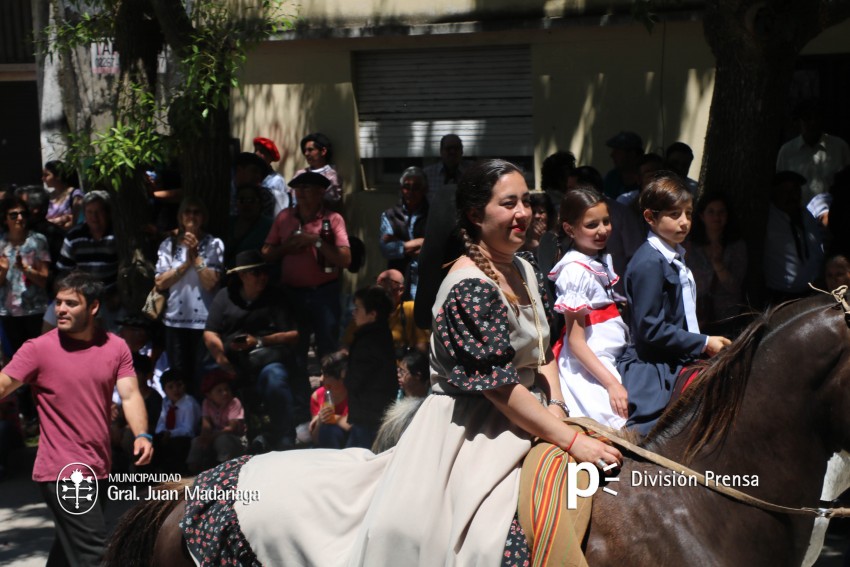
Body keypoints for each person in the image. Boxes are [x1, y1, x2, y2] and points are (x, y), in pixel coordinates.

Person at [179, 159, 621, 566]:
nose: (523, 212)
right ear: (474, 214)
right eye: (509, 203)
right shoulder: (470, 286)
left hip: (537, 414)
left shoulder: (526, 268)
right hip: (470, 431)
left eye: (526, 200)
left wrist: (559, 411)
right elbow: (499, 387)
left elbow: (543, 355)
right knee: (475, 543)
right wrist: (569, 440)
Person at [0, 272, 153, 566]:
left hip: (97, 466)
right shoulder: (39, 349)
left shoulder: (115, 346)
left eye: (71, 303)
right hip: (63, 470)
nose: (61, 309)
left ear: (93, 307)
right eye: (58, 302)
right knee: (94, 555)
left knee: (68, 554)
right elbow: (4, 384)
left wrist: (142, 434)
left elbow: (131, 394)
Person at [617, 172, 731, 434]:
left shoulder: (674, 257)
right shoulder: (649, 262)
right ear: (650, 217)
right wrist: (703, 342)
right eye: (674, 214)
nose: (684, 222)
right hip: (655, 370)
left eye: (688, 214)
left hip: (678, 358)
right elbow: (650, 328)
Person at [548, 186, 629, 429]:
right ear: (569, 229)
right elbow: (576, 342)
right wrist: (612, 384)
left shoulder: (599, 260)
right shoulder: (574, 271)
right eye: (592, 225)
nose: (603, 230)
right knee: (613, 424)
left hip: (611, 356)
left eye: (606, 221)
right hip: (589, 367)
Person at [203, 250, 300, 451]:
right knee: (211, 379)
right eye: (256, 273)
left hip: (267, 358)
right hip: (232, 361)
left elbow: (293, 334)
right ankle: (220, 443)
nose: (262, 277)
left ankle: (285, 438)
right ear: (242, 276)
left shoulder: (276, 296)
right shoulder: (224, 296)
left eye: (264, 272)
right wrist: (221, 359)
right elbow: (210, 333)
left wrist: (259, 341)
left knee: (275, 378)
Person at [262, 171, 351, 367]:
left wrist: (315, 241)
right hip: (291, 294)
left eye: (306, 188)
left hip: (324, 293)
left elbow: (345, 259)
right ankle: (300, 396)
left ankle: (330, 392)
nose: (300, 193)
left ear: (320, 192)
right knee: (295, 352)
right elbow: (266, 253)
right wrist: (287, 247)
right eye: (296, 188)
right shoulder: (284, 217)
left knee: (328, 349)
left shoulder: (333, 219)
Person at [686, 192, 747, 334]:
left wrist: (718, 264)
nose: (716, 217)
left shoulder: (736, 246)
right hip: (695, 316)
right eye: (711, 212)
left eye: (721, 212)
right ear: (701, 216)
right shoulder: (689, 245)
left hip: (727, 316)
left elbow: (735, 287)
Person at [345, 286, 397, 449]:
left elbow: (358, 378)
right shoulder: (381, 335)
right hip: (375, 410)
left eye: (358, 309)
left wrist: (346, 378)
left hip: (368, 413)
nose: (354, 313)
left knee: (359, 456)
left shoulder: (369, 341)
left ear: (372, 314)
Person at [763, 171, 825, 303]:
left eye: (796, 191)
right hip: (780, 296)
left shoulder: (806, 216)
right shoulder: (768, 218)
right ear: (775, 194)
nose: (791, 196)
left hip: (811, 293)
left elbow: (817, 248)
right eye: (785, 191)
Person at [776, 99, 850, 208]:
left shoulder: (839, 147)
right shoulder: (787, 152)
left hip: (832, 218)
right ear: (799, 121)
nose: (813, 122)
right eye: (807, 118)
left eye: (817, 117)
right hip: (799, 218)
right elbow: (780, 189)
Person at [0, 196, 51, 353]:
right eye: (14, 215)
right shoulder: (1, 244)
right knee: (16, 361)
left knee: (40, 357)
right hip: (8, 313)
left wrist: (25, 269)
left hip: (35, 311)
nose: (19, 218)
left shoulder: (38, 241)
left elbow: (45, 280)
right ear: (5, 219)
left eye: (23, 214)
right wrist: (3, 271)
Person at [379, 166, 429, 299]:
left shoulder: (433, 215)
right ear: (401, 189)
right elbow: (386, 249)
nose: (410, 192)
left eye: (416, 187)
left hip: (426, 284)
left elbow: (435, 247)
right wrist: (419, 242)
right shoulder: (389, 215)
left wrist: (399, 244)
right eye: (407, 187)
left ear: (424, 190)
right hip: (398, 285)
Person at [56, 191, 119, 290]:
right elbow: (64, 271)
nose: (94, 217)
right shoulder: (74, 236)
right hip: (82, 293)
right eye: (90, 212)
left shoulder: (117, 236)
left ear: (107, 212)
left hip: (112, 293)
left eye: (99, 211)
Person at [187, 369, 247, 473]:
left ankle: (227, 470)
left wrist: (211, 438)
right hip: (214, 437)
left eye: (226, 389)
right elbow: (206, 426)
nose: (225, 393)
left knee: (222, 440)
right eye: (219, 391)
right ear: (209, 395)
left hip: (236, 439)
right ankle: (193, 471)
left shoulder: (234, 402)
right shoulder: (206, 403)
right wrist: (204, 438)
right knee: (197, 441)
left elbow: (231, 428)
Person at [153, 369, 201, 473]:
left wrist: (170, 433)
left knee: (177, 445)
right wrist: (162, 433)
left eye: (179, 385)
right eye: (170, 387)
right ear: (164, 390)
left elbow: (189, 430)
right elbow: (160, 423)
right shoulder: (165, 402)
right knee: (153, 441)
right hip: (168, 436)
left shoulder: (189, 403)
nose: (176, 390)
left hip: (185, 439)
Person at [308, 350, 350, 448]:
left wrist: (332, 417)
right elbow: (315, 439)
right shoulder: (317, 396)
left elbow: (352, 427)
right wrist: (319, 421)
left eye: (326, 376)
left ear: (341, 377)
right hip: (328, 444)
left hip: (351, 444)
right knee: (327, 430)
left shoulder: (353, 396)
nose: (321, 379)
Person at [294, 132, 343, 204]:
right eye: (305, 150)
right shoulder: (300, 174)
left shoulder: (332, 177)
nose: (306, 154)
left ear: (323, 151)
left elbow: (330, 201)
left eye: (310, 150)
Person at [253, 136, 290, 215]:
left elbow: (281, 208)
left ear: (270, 158)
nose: (257, 154)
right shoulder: (251, 176)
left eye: (262, 152)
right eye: (256, 150)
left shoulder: (277, 180)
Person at [42, 160, 82, 230]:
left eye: (46, 175)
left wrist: (49, 223)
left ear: (58, 176)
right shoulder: (48, 196)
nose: (43, 179)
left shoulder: (75, 195)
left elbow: (74, 222)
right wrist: (61, 220)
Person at [602, 131, 643, 199]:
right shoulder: (612, 177)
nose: (612, 155)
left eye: (617, 151)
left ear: (632, 154)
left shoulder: (647, 177)